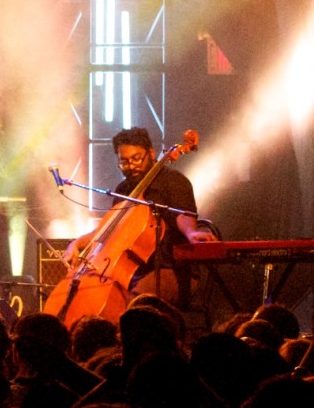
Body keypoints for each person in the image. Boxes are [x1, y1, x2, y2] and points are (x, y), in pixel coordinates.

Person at [72, 126, 212, 305]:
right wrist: (77, 243)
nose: (131, 166)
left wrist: (191, 232)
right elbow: (107, 230)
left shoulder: (174, 181)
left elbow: (183, 215)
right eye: (124, 162)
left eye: (136, 158)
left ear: (151, 153)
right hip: (131, 273)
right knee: (93, 299)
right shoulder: (123, 190)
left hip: (172, 271)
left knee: (133, 302)